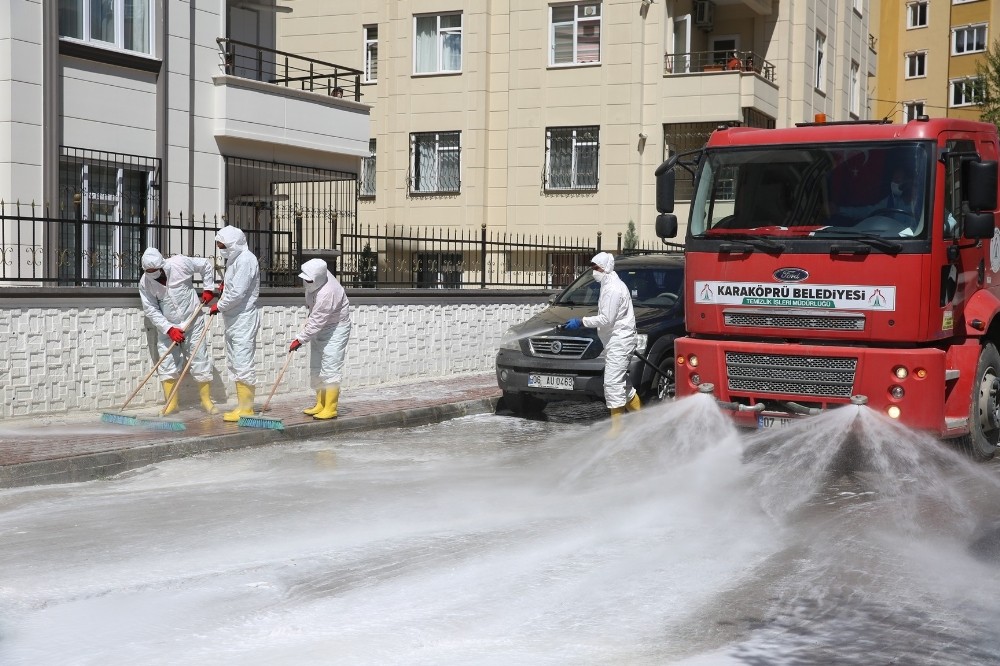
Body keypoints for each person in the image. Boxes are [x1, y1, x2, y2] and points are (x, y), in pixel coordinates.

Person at [138, 247, 219, 415]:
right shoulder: (144, 283)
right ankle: (172, 404)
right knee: (166, 362)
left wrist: (208, 288)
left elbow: (205, 264)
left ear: (162, 264)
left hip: (193, 320)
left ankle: (206, 401)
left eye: (155, 270)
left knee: (200, 359)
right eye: (149, 271)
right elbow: (151, 309)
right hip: (169, 326)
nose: (153, 274)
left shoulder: (180, 263)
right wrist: (169, 329)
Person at [563, 252, 641, 425]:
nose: (593, 271)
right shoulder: (609, 284)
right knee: (622, 384)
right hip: (616, 341)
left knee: (612, 384)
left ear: (605, 268)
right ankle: (640, 422)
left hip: (621, 340)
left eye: (596, 268)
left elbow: (607, 319)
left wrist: (581, 321)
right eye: (592, 267)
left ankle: (617, 429)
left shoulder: (613, 288)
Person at [208, 226, 261, 422]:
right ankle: (242, 406)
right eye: (219, 245)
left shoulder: (246, 259)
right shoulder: (235, 259)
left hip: (243, 317)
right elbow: (235, 285)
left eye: (223, 245)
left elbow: (238, 293)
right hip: (234, 318)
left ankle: (246, 409)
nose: (220, 249)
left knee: (242, 361)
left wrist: (219, 305)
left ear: (233, 243)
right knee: (236, 361)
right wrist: (224, 286)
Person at [290, 258, 352, 420]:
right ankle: (320, 403)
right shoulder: (316, 278)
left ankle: (330, 408)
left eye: (308, 280)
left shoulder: (328, 291)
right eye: (304, 278)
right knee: (317, 366)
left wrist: (300, 339)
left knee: (330, 366)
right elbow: (314, 312)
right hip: (320, 326)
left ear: (317, 278)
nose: (305, 281)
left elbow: (318, 319)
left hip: (336, 328)